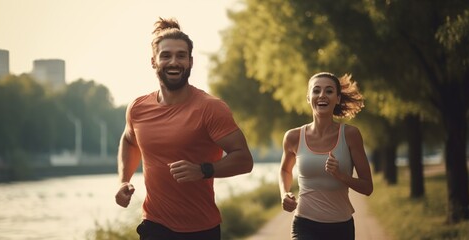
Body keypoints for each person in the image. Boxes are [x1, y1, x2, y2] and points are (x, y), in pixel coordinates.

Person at [114, 17, 254, 240]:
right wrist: (124, 180)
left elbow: (244, 159)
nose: (174, 62)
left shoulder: (210, 108)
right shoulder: (138, 108)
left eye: (181, 56)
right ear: (153, 61)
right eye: (166, 55)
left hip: (200, 229)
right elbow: (129, 141)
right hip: (154, 224)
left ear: (190, 61)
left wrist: (203, 170)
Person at [279, 72, 373, 240]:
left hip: (341, 228)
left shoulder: (350, 135)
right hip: (304, 225)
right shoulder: (293, 137)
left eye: (329, 91)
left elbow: (367, 187)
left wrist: (341, 176)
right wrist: (284, 194)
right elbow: (285, 170)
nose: (322, 95)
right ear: (308, 98)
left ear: (337, 98)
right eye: (316, 91)